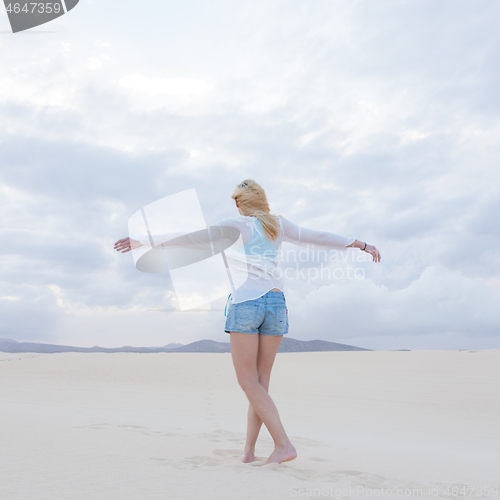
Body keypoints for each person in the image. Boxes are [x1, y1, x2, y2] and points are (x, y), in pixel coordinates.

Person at [114, 179, 381, 466]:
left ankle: (283, 444)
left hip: (247, 304)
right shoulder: (278, 224)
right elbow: (316, 236)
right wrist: (360, 244)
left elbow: (194, 236)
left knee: (247, 381)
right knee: (260, 384)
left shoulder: (239, 225)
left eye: (237, 201)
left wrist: (146, 239)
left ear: (242, 203)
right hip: (277, 304)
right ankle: (249, 452)